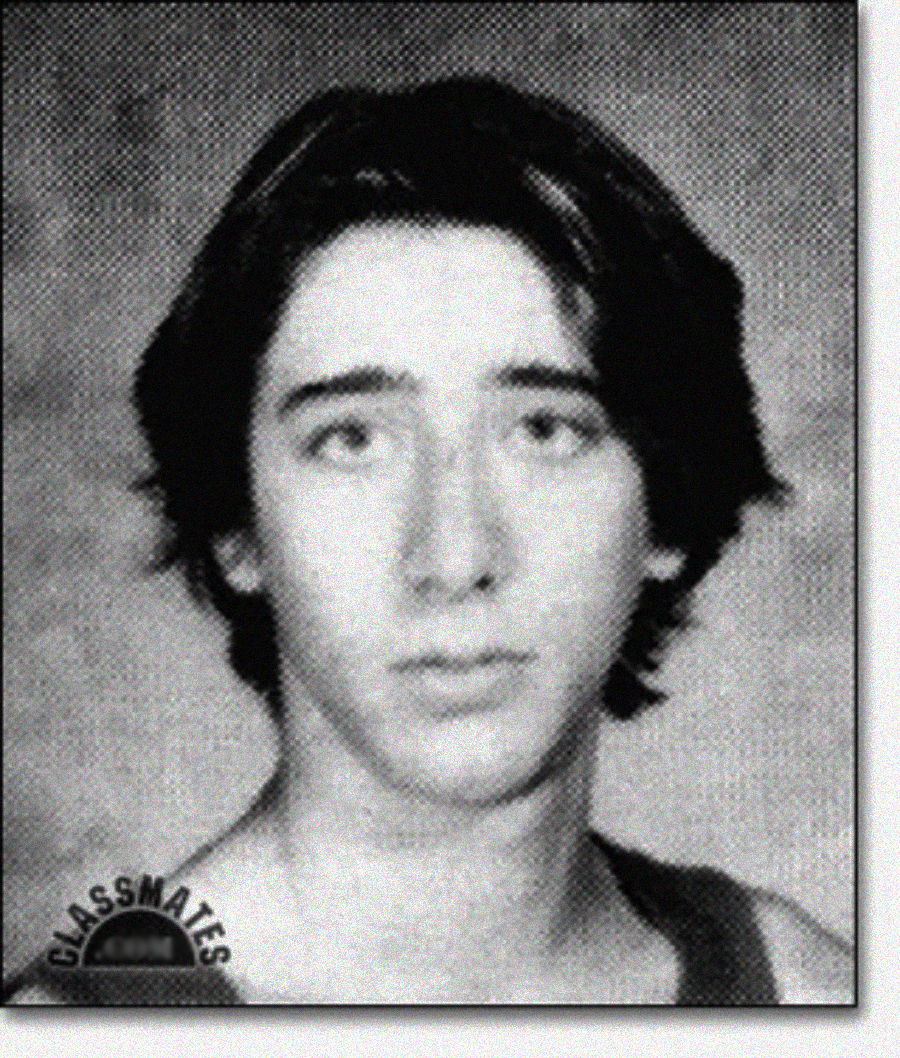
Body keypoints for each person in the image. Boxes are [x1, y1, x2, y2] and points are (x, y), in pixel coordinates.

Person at [6, 76, 853, 1005]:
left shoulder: (813, 998)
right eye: (353, 439)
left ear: (669, 509)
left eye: (544, 429)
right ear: (236, 528)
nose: (453, 558)